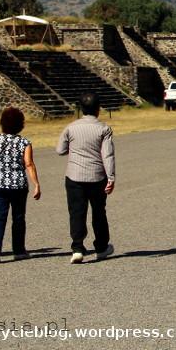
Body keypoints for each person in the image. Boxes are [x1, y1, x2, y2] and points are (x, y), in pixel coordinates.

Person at [56, 93, 115, 264]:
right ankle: (102, 247)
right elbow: (108, 155)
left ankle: (77, 247)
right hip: (97, 176)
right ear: (98, 109)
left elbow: (60, 150)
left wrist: (74, 150)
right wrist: (111, 177)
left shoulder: (71, 127)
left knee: (76, 212)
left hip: (74, 176)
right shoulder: (103, 129)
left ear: (81, 109)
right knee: (99, 212)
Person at [0, 107, 41, 262]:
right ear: (20, 124)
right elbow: (29, 164)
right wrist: (36, 184)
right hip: (18, 185)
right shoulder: (24, 142)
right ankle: (19, 250)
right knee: (18, 217)